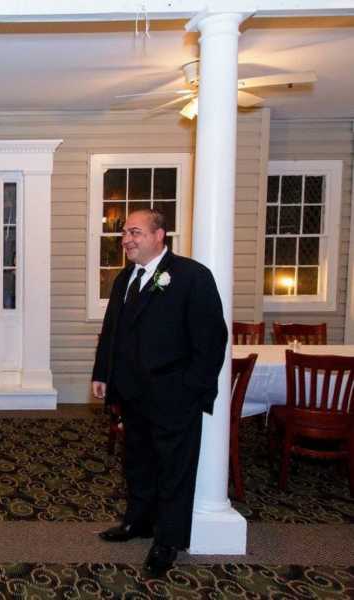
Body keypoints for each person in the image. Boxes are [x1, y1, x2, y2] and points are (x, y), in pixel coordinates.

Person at [91, 208, 227, 577]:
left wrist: (191, 389)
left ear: (159, 235)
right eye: (124, 234)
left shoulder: (191, 277)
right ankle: (138, 521)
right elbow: (113, 330)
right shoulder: (125, 279)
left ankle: (168, 541)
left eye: (135, 232)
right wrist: (103, 373)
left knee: (173, 471)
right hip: (132, 394)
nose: (126, 240)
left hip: (174, 396)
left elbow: (212, 340)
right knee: (137, 463)